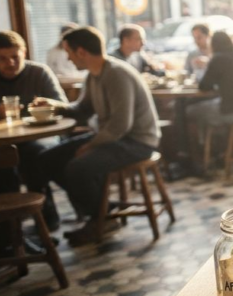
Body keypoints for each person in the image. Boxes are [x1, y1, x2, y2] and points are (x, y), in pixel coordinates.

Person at [31, 27, 161, 246]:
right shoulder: (94, 75)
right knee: (47, 160)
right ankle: (101, 209)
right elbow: (82, 109)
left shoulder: (117, 74)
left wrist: (91, 145)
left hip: (137, 141)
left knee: (77, 167)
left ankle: (99, 217)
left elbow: (121, 125)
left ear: (81, 51)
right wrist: (56, 106)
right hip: (113, 138)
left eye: (69, 53)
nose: (69, 59)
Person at [0, 30, 66, 248]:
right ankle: (8, 228)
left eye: (16, 56)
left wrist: (45, 105)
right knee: (0, 164)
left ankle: (46, 215)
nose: (11, 63)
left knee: (35, 155)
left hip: (39, 135)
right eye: (2, 58)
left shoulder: (39, 72)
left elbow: (60, 104)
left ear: (24, 52)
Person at [187, 31, 233, 137]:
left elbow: (204, 86)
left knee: (189, 110)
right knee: (209, 107)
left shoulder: (218, 59)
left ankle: (200, 148)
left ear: (213, 45)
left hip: (231, 112)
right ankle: (220, 144)